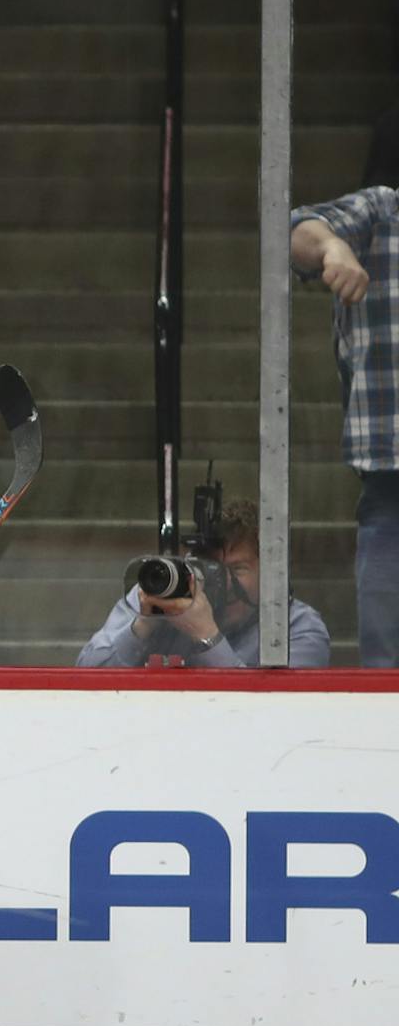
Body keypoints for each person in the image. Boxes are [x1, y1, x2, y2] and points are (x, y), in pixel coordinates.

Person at [291, 186, 399, 665]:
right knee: (384, 662)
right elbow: (295, 231)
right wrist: (334, 247)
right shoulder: (383, 211)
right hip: (390, 476)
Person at [76, 500, 332, 670]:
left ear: (273, 573)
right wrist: (142, 626)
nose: (223, 582)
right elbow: (83, 678)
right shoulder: (163, 592)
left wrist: (207, 637)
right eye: (212, 568)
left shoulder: (299, 628)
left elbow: (278, 719)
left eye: (237, 569)